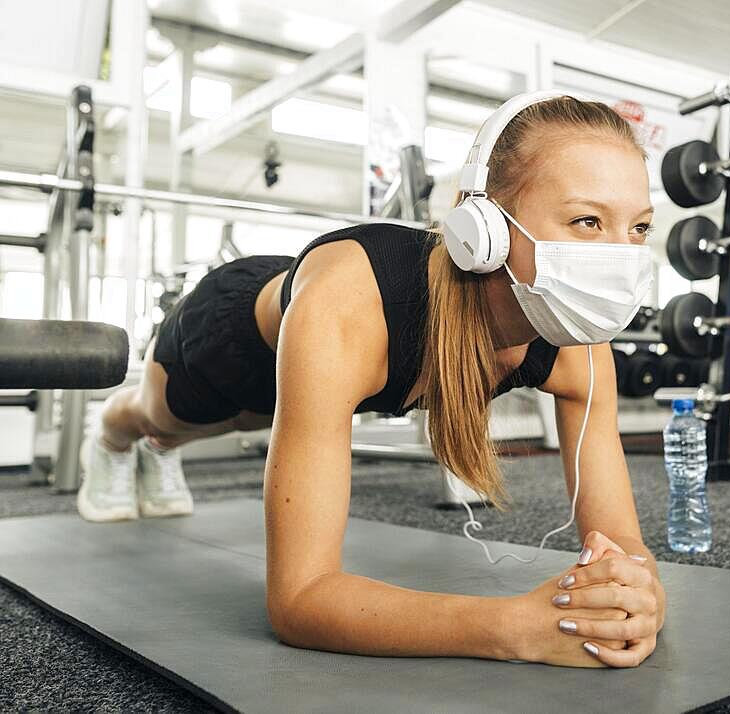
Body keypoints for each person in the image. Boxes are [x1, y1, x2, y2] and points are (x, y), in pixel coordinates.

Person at [77, 90, 666, 668]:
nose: (618, 259)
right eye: (587, 220)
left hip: (334, 366)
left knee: (255, 425)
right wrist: (516, 628)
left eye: (638, 228)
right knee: (166, 420)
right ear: (482, 228)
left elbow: (624, 544)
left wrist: (638, 594)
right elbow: (300, 600)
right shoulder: (346, 305)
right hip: (234, 340)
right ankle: (112, 438)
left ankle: (157, 452)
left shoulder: (579, 336)